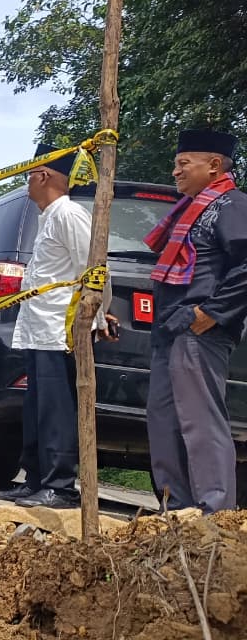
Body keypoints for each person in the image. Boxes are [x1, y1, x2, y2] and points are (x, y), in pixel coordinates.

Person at [0, 144, 108, 509]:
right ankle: (35, 479)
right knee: (37, 409)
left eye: (30, 175)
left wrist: (99, 315)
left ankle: (60, 486)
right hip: (38, 329)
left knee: (57, 410)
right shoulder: (49, 218)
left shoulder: (69, 214)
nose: (28, 183)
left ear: (43, 176)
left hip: (61, 331)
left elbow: (94, 269)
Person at [144, 129, 245, 513]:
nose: (175, 171)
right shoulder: (188, 209)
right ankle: (175, 510)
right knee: (163, 419)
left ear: (214, 165)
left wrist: (212, 312)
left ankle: (214, 513)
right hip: (169, 328)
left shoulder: (232, 205)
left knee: (200, 422)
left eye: (184, 163)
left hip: (200, 330)